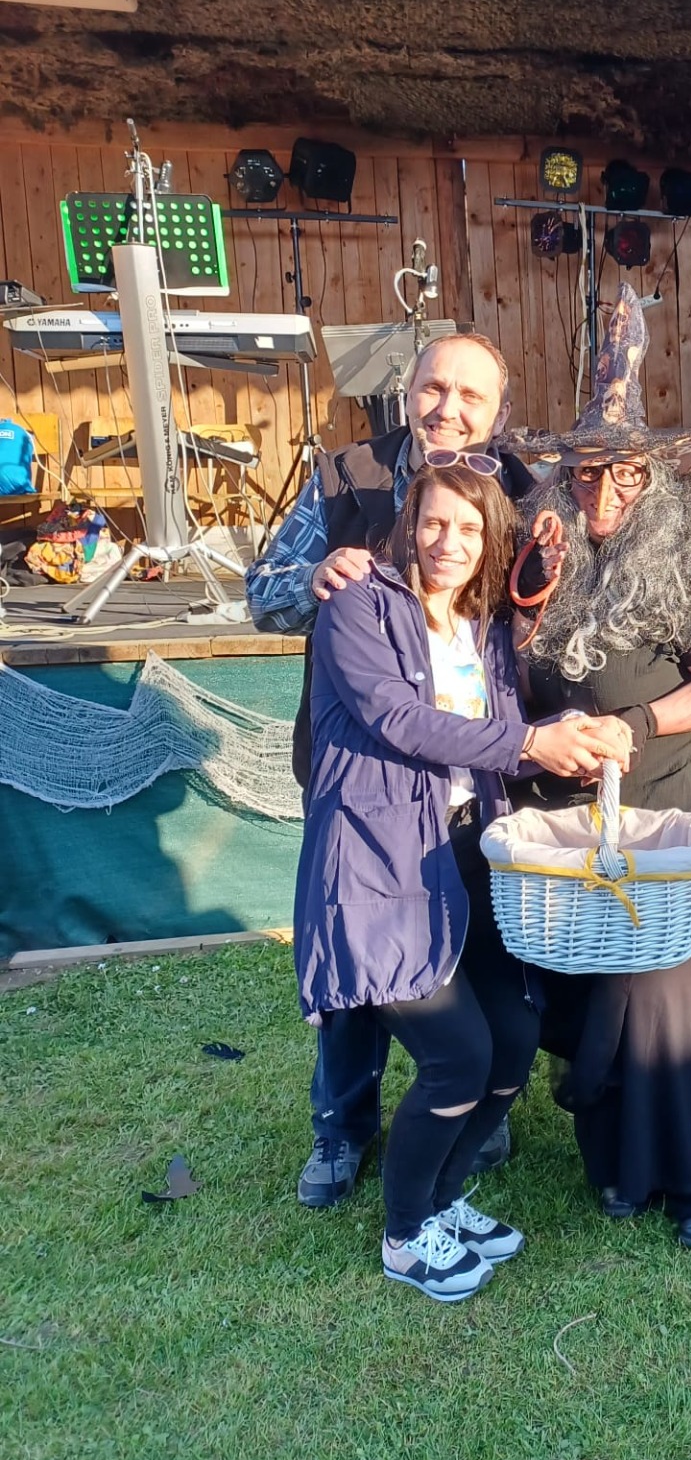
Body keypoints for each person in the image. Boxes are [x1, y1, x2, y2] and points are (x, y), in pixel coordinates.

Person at [294, 458, 629, 1300]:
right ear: (409, 526)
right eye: (436, 522)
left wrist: (575, 735)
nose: (450, 542)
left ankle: (442, 1201)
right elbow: (400, 720)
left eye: (471, 529)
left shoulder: (480, 630)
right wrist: (529, 743)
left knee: (511, 1043)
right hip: (380, 864)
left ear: (491, 544)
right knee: (457, 1055)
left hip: (469, 856)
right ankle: (406, 1235)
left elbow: (504, 735)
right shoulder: (358, 607)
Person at [510, 285, 691, 1250]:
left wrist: (636, 722)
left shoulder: (689, 560)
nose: (603, 492)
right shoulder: (547, 553)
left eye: (624, 473)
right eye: (585, 473)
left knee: (661, 994)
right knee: (596, 988)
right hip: (576, 819)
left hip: (670, 809)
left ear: (654, 476)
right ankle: (624, 1166)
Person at [246, 330, 532, 1210]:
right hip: (363, 777)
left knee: (470, 940)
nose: (449, 409)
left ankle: (467, 1095)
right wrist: (315, 575)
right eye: (434, 388)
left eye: (472, 396)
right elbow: (261, 595)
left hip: (468, 783)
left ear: (499, 412)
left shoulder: (522, 487)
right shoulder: (346, 477)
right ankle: (343, 1126)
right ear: (408, 391)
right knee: (364, 962)